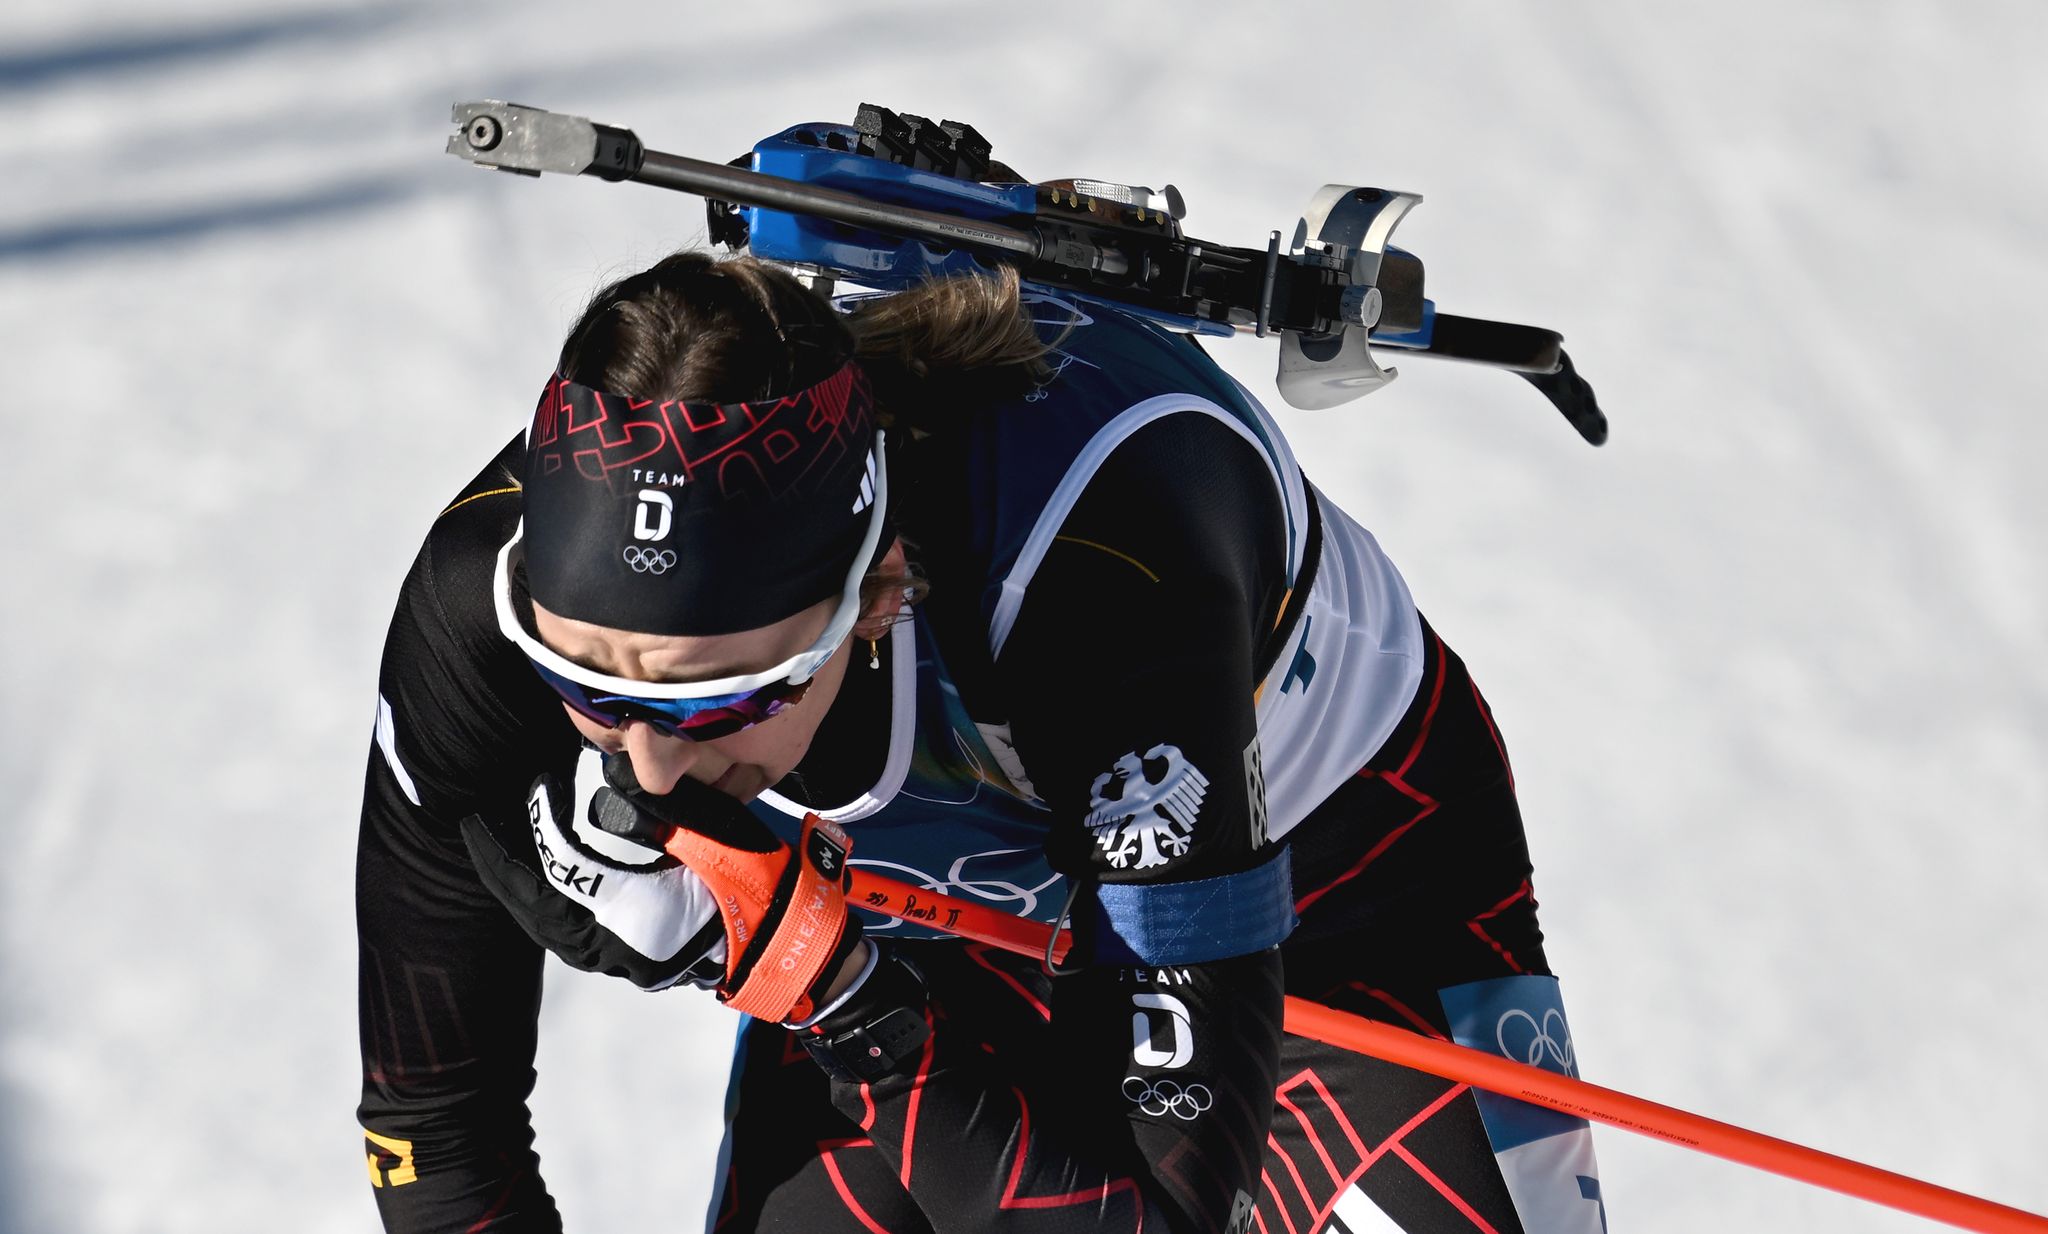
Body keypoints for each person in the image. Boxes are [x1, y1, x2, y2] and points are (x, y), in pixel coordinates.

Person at [356, 251, 1606, 1233]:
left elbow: (1158, 1223)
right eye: (591, 692)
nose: (652, 772)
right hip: (927, 935)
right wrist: (846, 983)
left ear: (881, 587)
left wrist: (839, 996)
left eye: (724, 698)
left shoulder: (1096, 587)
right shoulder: (482, 599)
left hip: (1335, 913)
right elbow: (435, 1125)